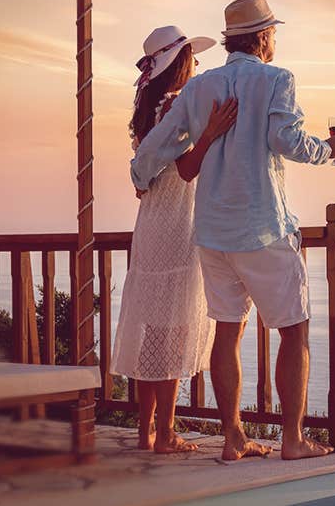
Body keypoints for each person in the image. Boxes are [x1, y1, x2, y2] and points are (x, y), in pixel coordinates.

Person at [131, 0, 335, 460]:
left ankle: (233, 437)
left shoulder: (199, 87)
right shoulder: (276, 80)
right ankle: (292, 440)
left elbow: (156, 146)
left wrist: (139, 177)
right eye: (274, 34)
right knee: (294, 330)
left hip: (212, 233)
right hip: (262, 226)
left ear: (232, 40)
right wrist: (329, 149)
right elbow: (284, 140)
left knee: (227, 332)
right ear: (264, 37)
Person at [112, 25, 237, 453]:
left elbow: (145, 175)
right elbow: (186, 169)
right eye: (193, 59)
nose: (198, 66)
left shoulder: (147, 107)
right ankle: (165, 433)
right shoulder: (177, 106)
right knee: (174, 329)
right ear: (180, 63)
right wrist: (210, 134)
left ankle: (148, 430)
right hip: (178, 220)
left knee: (151, 326)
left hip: (150, 221)